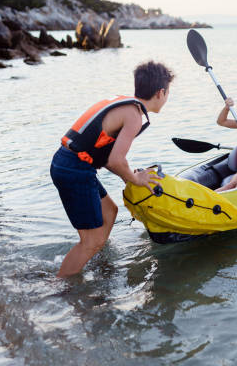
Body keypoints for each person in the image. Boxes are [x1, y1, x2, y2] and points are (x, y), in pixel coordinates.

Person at [50, 60, 174, 277]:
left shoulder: (124, 103)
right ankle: (61, 287)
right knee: (91, 240)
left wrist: (129, 177)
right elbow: (116, 161)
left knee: (110, 211)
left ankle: (96, 260)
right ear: (161, 92)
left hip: (69, 163)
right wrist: (136, 179)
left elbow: (108, 158)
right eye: (168, 93)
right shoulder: (134, 115)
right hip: (74, 169)